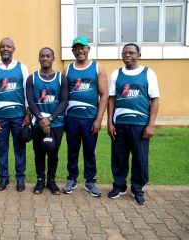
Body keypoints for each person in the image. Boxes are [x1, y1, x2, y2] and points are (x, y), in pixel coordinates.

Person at [107, 43, 160, 205]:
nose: (127, 55)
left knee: (140, 158)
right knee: (119, 156)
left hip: (140, 124)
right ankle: (119, 186)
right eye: (124, 53)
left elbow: (155, 99)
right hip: (120, 123)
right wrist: (109, 122)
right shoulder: (116, 74)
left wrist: (150, 125)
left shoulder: (148, 73)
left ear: (139, 55)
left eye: (131, 53)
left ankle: (138, 188)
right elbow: (111, 98)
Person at [62, 36, 108, 197]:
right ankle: (72, 179)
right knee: (72, 150)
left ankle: (90, 182)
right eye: (77, 48)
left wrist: (99, 119)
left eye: (83, 48)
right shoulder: (67, 69)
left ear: (88, 49)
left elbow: (104, 95)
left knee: (90, 151)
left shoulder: (97, 68)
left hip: (90, 118)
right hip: (71, 118)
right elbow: (64, 96)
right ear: (73, 51)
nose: (80, 51)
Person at [0, 37, 30, 192]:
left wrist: (28, 114)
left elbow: (27, 92)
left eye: (8, 46)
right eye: (2, 47)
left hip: (19, 115)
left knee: (19, 147)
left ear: (14, 49)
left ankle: (20, 179)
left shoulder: (22, 68)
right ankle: (3, 178)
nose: (5, 49)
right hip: (1, 117)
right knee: (1, 148)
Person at [26, 47, 68, 195]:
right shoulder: (32, 78)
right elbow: (30, 101)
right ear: (39, 58)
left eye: (48, 56)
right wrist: (41, 119)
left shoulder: (61, 78)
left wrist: (49, 119)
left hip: (56, 123)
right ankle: (40, 181)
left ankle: (51, 181)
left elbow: (64, 101)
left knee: (53, 152)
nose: (45, 58)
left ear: (53, 58)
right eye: (42, 56)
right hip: (38, 123)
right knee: (38, 152)